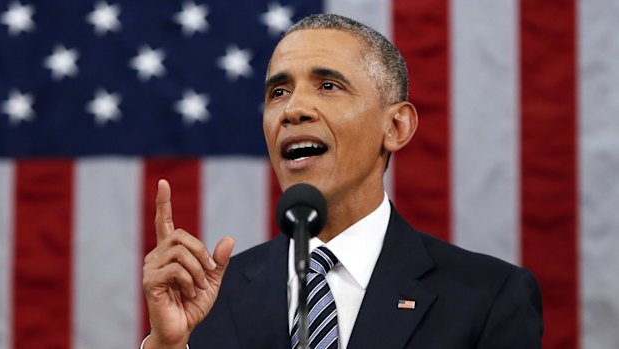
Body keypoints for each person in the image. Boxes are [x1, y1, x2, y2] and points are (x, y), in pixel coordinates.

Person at [141, 14, 543, 349]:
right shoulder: (210, 298)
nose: (294, 109)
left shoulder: (489, 297)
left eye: (328, 86)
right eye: (278, 91)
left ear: (396, 126)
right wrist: (166, 346)